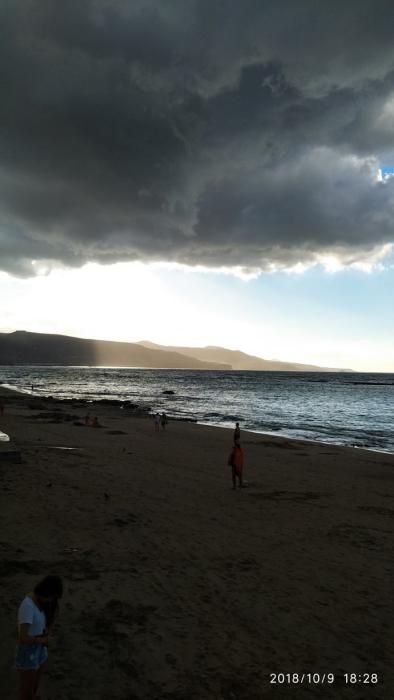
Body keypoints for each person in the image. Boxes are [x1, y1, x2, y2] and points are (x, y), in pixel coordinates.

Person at [16, 575, 63, 700]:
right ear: (45, 592)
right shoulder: (27, 606)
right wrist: (41, 640)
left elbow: (51, 617)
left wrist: (48, 632)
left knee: (35, 684)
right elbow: (23, 637)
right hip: (28, 652)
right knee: (26, 690)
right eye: (51, 597)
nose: (52, 600)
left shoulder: (47, 603)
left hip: (41, 649)